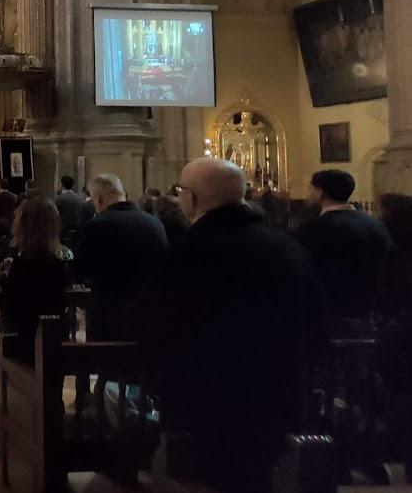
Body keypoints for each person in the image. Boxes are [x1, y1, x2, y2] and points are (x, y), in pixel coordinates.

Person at [149, 158, 325, 493]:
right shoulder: (287, 247)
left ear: (192, 198)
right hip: (280, 391)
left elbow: (159, 325)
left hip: (208, 400)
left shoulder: (187, 253)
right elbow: (316, 321)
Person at [73, 174, 167, 341]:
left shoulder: (97, 225)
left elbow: (81, 268)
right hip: (150, 311)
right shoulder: (154, 223)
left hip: (110, 313)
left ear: (99, 199)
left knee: (108, 357)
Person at [295, 169, 391, 320]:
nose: (307, 193)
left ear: (320, 193)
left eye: (310, 188)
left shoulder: (313, 228)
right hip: (367, 306)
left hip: (329, 309)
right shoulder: (375, 224)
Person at [0, 197, 71, 363]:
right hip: (55, 340)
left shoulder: (14, 263)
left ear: (20, 226)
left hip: (20, 339)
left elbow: (8, 298)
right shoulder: (60, 263)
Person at [54, 175, 86, 245]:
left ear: (62, 185)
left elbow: (54, 215)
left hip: (62, 232)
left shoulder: (59, 199)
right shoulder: (80, 199)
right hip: (78, 232)